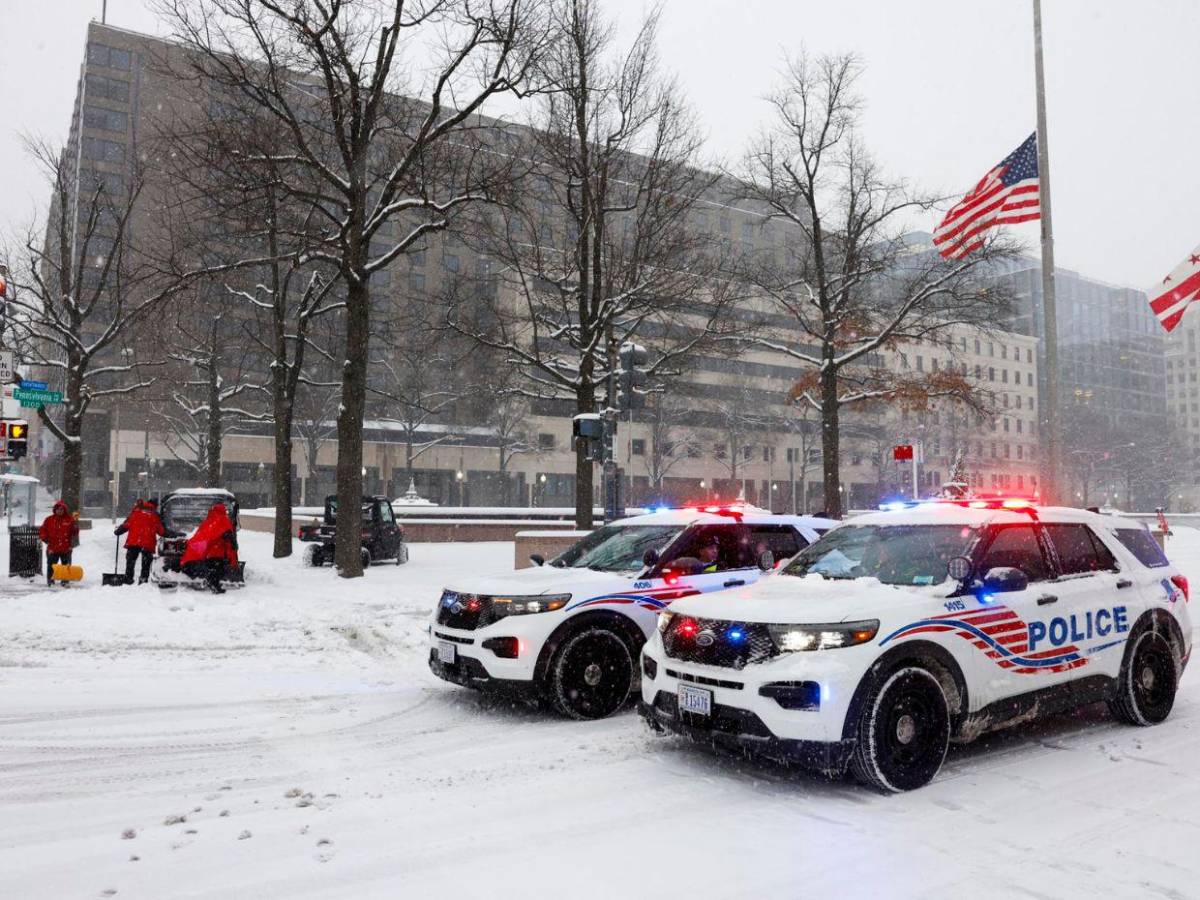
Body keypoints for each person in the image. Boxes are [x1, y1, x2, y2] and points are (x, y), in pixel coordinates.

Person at [180, 502, 239, 593]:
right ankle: (215, 586)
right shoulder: (222, 520)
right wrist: (229, 540)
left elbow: (207, 534)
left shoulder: (210, 520)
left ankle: (214, 584)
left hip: (210, 551)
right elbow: (225, 533)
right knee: (218, 570)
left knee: (214, 569)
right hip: (218, 551)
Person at [115, 498, 165, 585]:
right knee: (146, 563)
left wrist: (118, 531)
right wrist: (173, 534)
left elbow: (126, 524)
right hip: (147, 543)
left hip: (133, 542)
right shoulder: (155, 514)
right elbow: (161, 531)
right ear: (155, 506)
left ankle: (128, 578)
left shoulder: (136, 511)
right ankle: (143, 580)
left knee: (130, 561)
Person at [38, 500, 79, 587]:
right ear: (55, 510)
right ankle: (50, 581)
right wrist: (45, 539)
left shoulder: (70, 520)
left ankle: (65, 581)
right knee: (51, 565)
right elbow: (42, 530)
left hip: (66, 548)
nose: (60, 511)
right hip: (53, 547)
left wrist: (75, 525)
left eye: (61, 509)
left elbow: (74, 533)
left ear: (64, 510)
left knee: (66, 565)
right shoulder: (49, 520)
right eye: (58, 509)